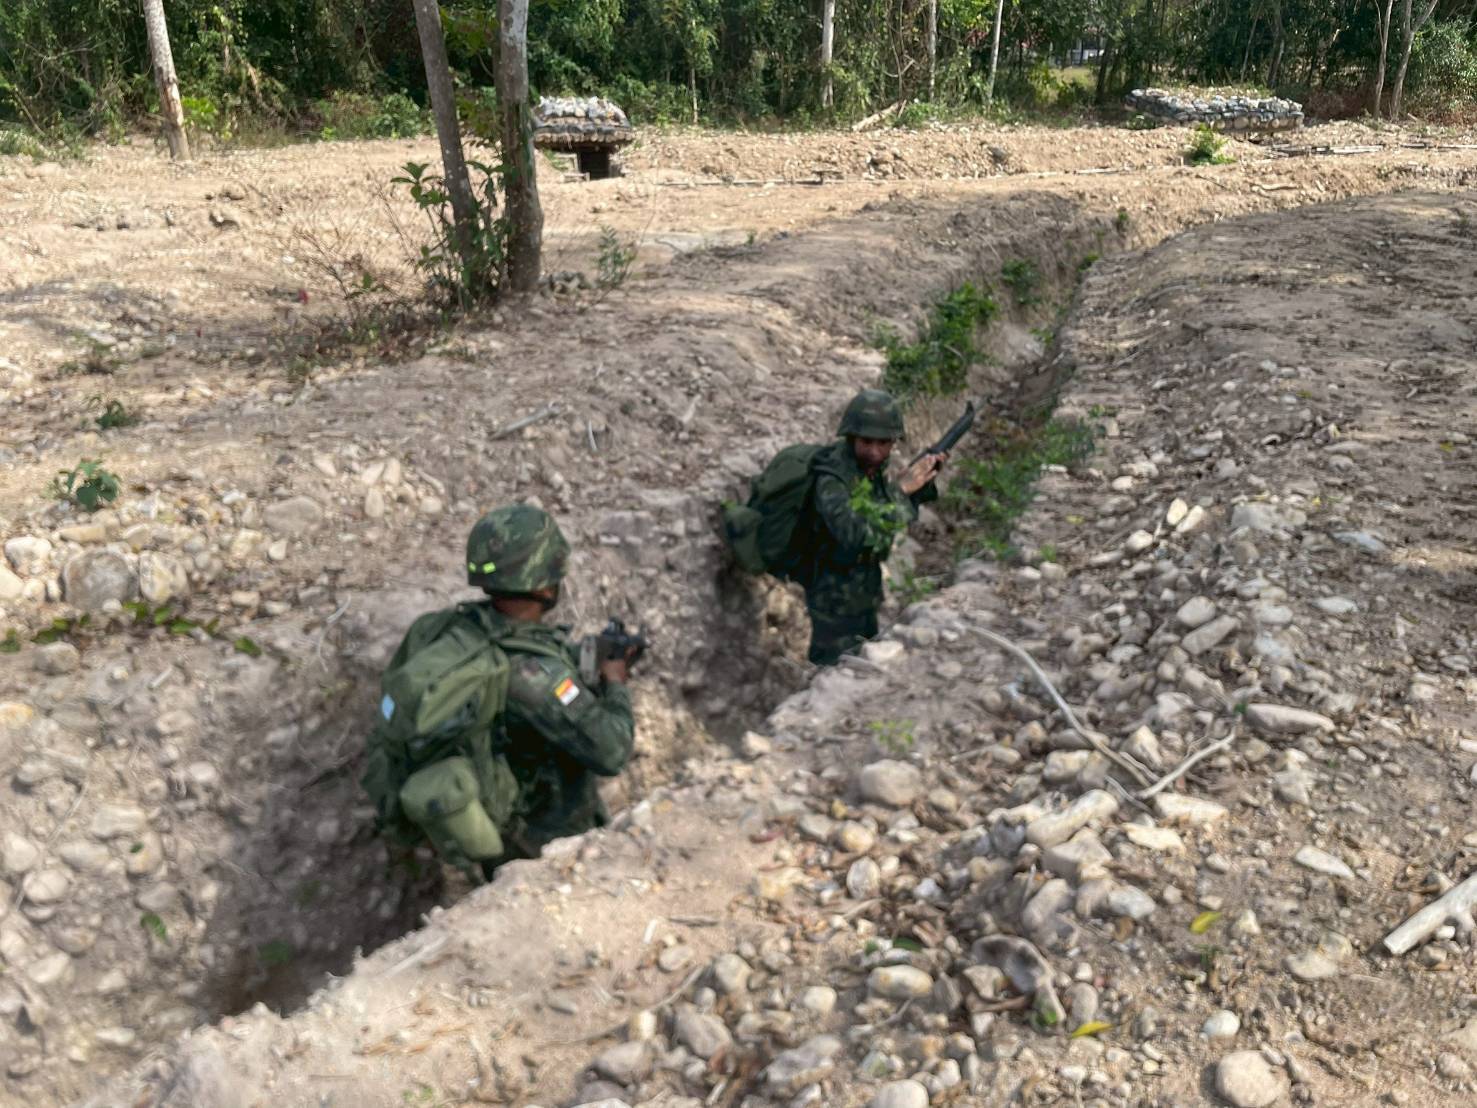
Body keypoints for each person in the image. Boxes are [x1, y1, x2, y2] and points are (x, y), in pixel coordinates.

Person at [362, 504, 636, 881]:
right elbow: (612, 750)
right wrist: (616, 681)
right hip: (540, 844)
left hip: (481, 812)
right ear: (543, 585)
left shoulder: (437, 630)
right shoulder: (538, 678)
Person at [793, 388, 945, 666]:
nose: (875, 451)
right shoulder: (831, 478)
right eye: (867, 442)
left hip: (864, 588)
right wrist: (899, 490)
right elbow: (855, 533)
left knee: (863, 661)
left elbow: (883, 508)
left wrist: (925, 477)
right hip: (833, 598)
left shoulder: (867, 467)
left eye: (883, 443)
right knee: (834, 667)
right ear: (851, 436)